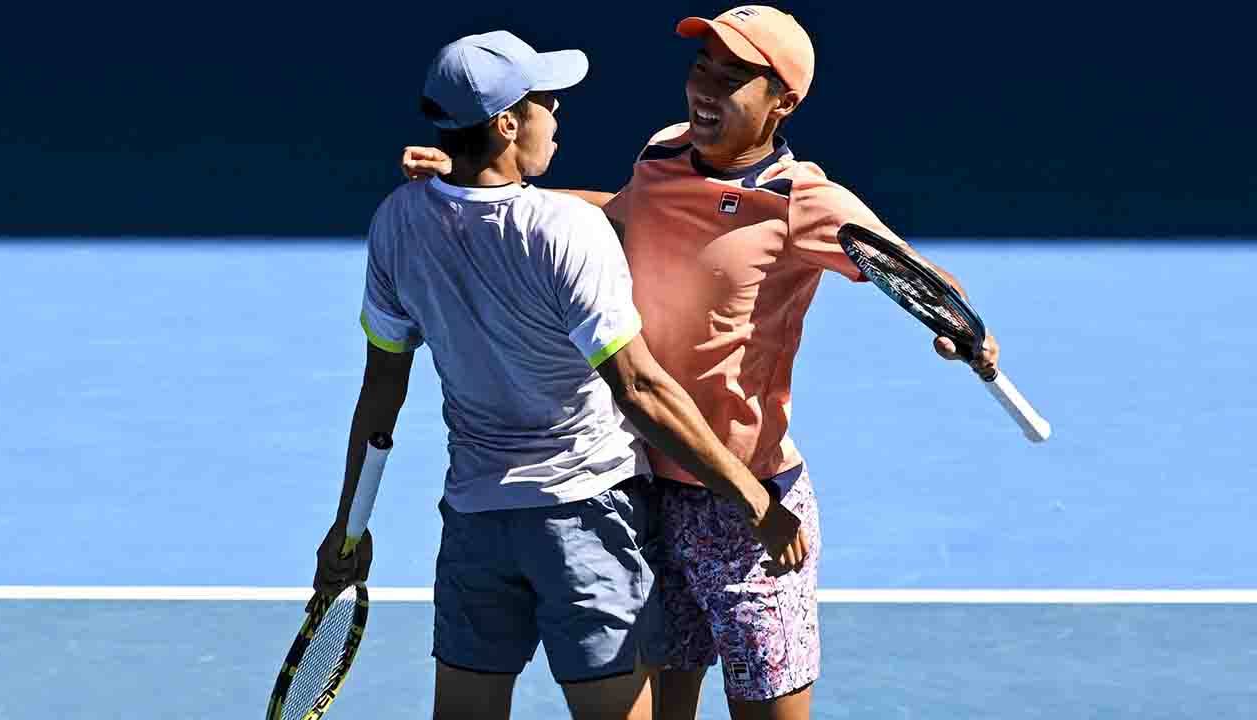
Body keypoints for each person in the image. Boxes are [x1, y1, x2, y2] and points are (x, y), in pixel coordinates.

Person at [402, 8, 1001, 719]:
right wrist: (475, 180)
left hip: (752, 510)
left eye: (734, 77)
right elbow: (617, 216)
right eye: (702, 68)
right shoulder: (659, 154)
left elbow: (915, 277)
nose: (706, 90)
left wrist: (963, 330)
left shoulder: (803, 201)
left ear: (783, 101)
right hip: (646, 489)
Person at [312, 29, 808, 720]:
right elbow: (639, 389)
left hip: (475, 522)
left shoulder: (397, 221)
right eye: (546, 101)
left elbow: (380, 394)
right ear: (509, 123)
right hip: (586, 516)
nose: (558, 114)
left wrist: (348, 531)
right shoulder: (568, 233)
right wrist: (756, 502)